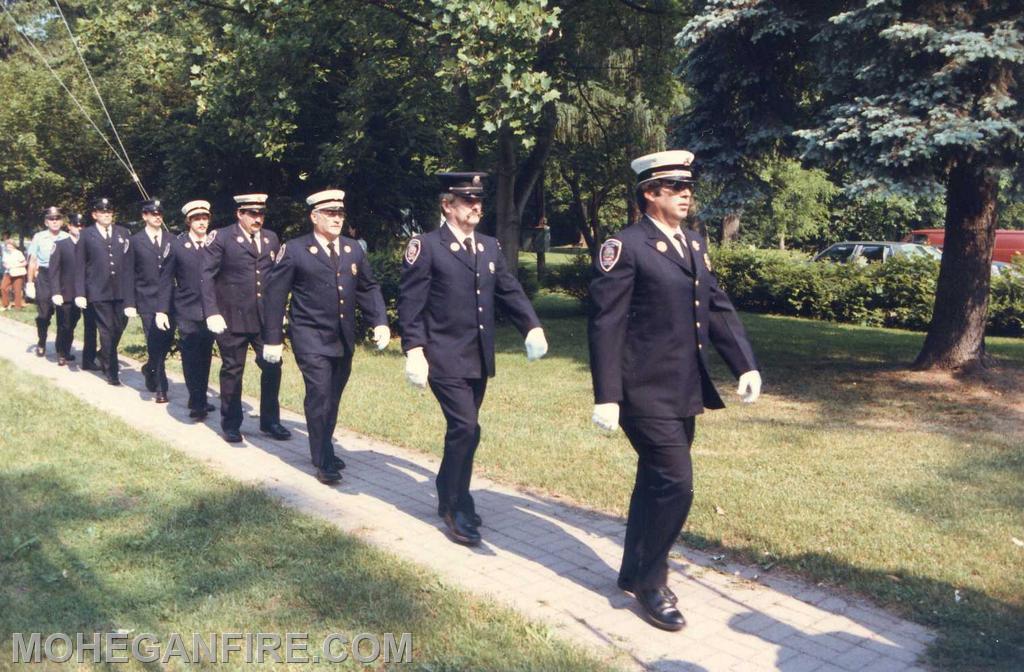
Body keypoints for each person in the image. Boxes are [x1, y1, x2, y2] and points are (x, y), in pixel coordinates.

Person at [588, 150, 762, 631]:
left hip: (683, 388)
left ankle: (631, 570)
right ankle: (651, 580)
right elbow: (606, 325)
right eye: (674, 187)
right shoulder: (626, 246)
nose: (687, 194)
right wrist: (607, 394)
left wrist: (744, 364)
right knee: (676, 484)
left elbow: (717, 306)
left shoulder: (693, 243)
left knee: (655, 482)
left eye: (688, 187)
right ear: (650, 193)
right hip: (641, 391)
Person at [398, 172, 549, 546]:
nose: (477, 206)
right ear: (447, 206)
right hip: (443, 356)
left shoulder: (487, 246)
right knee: (466, 427)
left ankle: (447, 487)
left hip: (478, 357)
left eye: (479, 199)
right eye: (468, 200)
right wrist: (414, 350)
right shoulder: (427, 246)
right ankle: (456, 505)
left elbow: (509, 290)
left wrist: (531, 326)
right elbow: (411, 302)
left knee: (467, 429)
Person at [262, 189, 389, 484]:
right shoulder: (294, 250)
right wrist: (272, 338)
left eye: (340, 214)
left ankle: (325, 445)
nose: (337, 219)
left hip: (342, 338)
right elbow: (274, 295)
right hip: (310, 337)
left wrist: (379, 321)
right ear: (314, 216)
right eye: (330, 214)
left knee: (332, 397)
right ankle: (322, 459)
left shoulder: (352, 249)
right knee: (319, 394)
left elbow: (368, 288)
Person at [200, 193, 290, 443]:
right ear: (239, 214)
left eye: (261, 213)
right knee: (232, 370)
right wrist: (211, 311)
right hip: (231, 317)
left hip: (264, 319)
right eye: (252, 214)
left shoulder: (271, 238)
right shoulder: (222, 237)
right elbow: (206, 276)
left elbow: (275, 280)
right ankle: (231, 423)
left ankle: (270, 421)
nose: (257, 218)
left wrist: (279, 311)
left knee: (273, 366)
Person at [160, 200, 216, 420]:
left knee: (206, 355)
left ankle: (199, 395)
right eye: (197, 219)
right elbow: (165, 280)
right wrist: (162, 310)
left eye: (205, 218)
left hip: (211, 311)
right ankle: (197, 401)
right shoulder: (176, 245)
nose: (202, 223)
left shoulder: (215, 244)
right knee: (191, 355)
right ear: (189, 221)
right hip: (186, 308)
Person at [74, 196, 131, 385]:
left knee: (119, 326)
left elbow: (129, 263)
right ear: (95, 214)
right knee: (106, 330)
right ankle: (112, 371)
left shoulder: (123, 232)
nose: (106, 215)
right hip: (98, 290)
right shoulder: (86, 235)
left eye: (109, 212)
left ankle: (103, 354)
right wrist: (80, 293)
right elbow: (80, 265)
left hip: (121, 291)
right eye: (102, 212)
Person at [123, 199, 175, 403]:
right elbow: (128, 273)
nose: (157, 217)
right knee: (154, 342)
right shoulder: (135, 241)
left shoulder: (172, 239)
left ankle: (149, 368)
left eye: (160, 213)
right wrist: (129, 302)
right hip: (146, 299)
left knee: (167, 341)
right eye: (153, 214)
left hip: (170, 300)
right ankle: (162, 388)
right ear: (144, 216)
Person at [49, 213, 92, 366]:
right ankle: (62, 352)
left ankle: (64, 348)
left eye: (82, 225)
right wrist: (55, 292)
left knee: (73, 321)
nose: (79, 228)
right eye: (76, 225)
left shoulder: (88, 245)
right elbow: (54, 271)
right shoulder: (61, 245)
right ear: (69, 226)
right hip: (65, 292)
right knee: (64, 324)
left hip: (83, 293)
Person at [25, 207, 69, 356]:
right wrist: (30, 282)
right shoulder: (39, 237)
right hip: (44, 276)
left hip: (63, 277)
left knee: (63, 315)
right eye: (51, 219)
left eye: (57, 218)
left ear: (62, 221)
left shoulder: (67, 237)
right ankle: (42, 340)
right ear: (46, 222)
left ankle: (61, 349)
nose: (55, 221)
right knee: (44, 314)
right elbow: (32, 260)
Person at [1, 238, 28, 310]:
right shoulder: (5, 253)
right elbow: (4, 263)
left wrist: (15, 266)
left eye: (10, 246)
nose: (9, 248)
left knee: (17, 290)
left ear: (14, 246)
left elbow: (25, 263)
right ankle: (5, 305)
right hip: (8, 272)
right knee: (3, 287)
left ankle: (17, 306)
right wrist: (6, 265)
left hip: (17, 273)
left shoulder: (18, 253)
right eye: (7, 246)